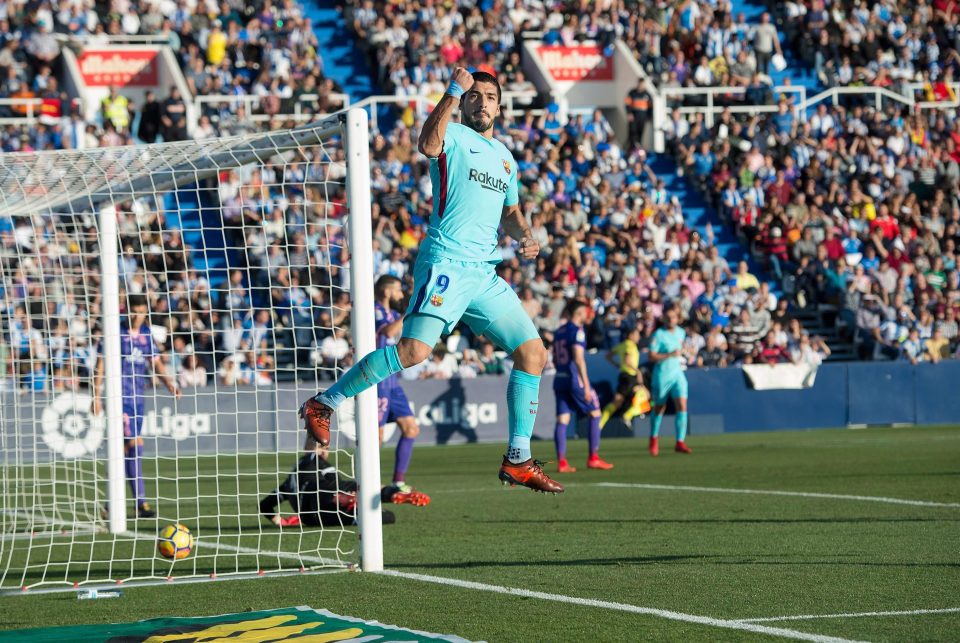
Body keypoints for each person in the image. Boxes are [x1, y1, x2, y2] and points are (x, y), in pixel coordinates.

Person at [299, 68, 562, 494]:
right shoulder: (454, 134)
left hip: (484, 272)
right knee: (414, 351)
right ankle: (323, 402)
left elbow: (510, 214)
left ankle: (518, 458)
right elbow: (427, 143)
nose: (481, 102)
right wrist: (452, 93)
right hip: (447, 263)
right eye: (474, 95)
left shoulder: (506, 159)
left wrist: (527, 236)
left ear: (499, 106)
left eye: (489, 96)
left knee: (533, 353)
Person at [93, 294, 181, 518]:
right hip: (118, 399)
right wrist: (96, 395)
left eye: (141, 311)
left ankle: (112, 504)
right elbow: (101, 364)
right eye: (134, 311)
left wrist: (169, 383)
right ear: (127, 310)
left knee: (124, 451)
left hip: (138, 400)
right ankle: (141, 504)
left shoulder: (146, 334)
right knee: (135, 446)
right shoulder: (116, 332)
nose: (137, 316)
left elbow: (156, 362)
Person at [259, 439, 429, 529]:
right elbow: (336, 484)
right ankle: (391, 493)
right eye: (323, 448)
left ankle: (369, 501)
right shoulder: (315, 460)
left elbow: (265, 505)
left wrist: (281, 521)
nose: (325, 452)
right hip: (326, 498)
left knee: (383, 517)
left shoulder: (288, 483)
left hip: (313, 519)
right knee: (361, 487)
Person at [552, 300, 613, 473]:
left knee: (562, 419)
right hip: (574, 379)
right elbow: (578, 359)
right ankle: (593, 458)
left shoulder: (559, 331)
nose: (588, 314)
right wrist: (586, 385)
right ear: (579, 313)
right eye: (586, 311)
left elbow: (556, 359)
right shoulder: (577, 331)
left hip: (560, 378)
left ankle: (562, 463)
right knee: (595, 412)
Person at [374, 275, 422, 493]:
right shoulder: (372, 310)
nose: (401, 295)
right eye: (398, 291)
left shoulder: (392, 313)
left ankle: (398, 481)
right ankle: (369, 482)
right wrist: (408, 313)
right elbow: (389, 331)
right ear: (386, 292)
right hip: (377, 383)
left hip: (393, 382)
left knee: (411, 429)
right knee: (377, 437)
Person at [648, 306, 692, 456]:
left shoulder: (681, 332)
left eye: (673, 317)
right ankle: (654, 438)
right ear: (664, 319)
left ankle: (680, 441)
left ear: (677, 318)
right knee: (660, 407)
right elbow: (651, 356)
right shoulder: (658, 335)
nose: (671, 320)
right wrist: (669, 354)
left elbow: (682, 348)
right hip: (662, 374)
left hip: (677, 374)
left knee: (682, 405)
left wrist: (687, 351)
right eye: (668, 317)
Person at [600, 325, 650, 429]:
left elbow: (608, 356)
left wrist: (616, 364)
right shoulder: (630, 346)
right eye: (637, 334)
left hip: (624, 376)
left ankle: (598, 425)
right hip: (630, 377)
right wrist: (638, 371)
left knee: (618, 401)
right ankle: (627, 415)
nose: (639, 337)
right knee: (645, 395)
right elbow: (628, 361)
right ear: (631, 335)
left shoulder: (622, 345)